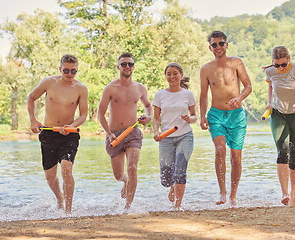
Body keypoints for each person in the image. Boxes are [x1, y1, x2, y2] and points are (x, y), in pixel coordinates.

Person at [27, 54, 88, 215]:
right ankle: (59, 199)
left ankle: (68, 211)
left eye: (73, 71)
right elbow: (31, 98)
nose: (69, 74)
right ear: (59, 68)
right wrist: (33, 120)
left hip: (70, 134)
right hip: (48, 133)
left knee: (67, 168)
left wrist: (71, 126)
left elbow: (83, 115)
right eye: (65, 70)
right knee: (49, 176)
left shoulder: (81, 88)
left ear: (77, 70)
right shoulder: (49, 82)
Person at [199, 30, 252, 207]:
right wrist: (202, 116)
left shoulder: (236, 63)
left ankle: (233, 195)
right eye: (214, 44)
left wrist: (239, 98)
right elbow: (204, 95)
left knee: (236, 157)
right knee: (220, 150)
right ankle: (222, 192)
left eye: (221, 43)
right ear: (210, 48)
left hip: (236, 116)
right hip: (216, 115)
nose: (218, 47)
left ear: (226, 45)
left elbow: (248, 86)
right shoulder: (206, 69)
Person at [97, 52, 152, 210]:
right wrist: (108, 133)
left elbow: (148, 106)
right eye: (124, 64)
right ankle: (126, 181)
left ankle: (128, 207)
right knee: (119, 175)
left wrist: (147, 116)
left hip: (133, 133)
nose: (127, 67)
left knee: (133, 167)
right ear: (118, 67)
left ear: (133, 67)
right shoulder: (110, 88)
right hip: (114, 135)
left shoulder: (140, 88)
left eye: (130, 64)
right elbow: (100, 114)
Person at [263, 46, 295, 207]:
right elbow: (270, 87)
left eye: (283, 64)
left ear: (289, 58)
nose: (280, 68)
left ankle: (294, 195)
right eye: (277, 65)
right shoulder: (270, 72)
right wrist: (269, 103)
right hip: (278, 114)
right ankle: (284, 193)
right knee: (283, 151)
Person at [152, 63, 197, 211]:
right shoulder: (160, 95)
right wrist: (156, 132)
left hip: (185, 135)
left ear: (181, 75)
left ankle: (178, 206)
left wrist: (189, 119)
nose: (172, 76)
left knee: (180, 169)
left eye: (175, 73)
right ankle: (172, 186)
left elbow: (195, 116)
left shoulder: (188, 94)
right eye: (169, 74)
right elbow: (156, 118)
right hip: (166, 137)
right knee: (166, 178)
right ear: (165, 76)